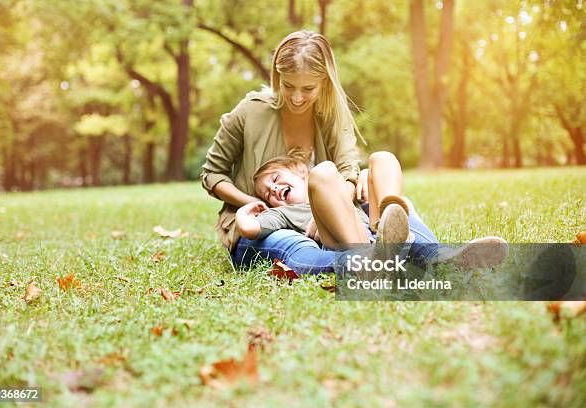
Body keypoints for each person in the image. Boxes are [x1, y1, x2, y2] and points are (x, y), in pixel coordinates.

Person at [201, 30, 505, 274]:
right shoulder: (250, 112)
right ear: (276, 76)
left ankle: (439, 257)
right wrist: (255, 203)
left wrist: (341, 198)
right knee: (294, 246)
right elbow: (212, 174)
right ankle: (370, 264)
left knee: (398, 205)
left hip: (335, 222)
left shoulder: (331, 115)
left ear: (324, 82)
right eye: (288, 85)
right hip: (269, 227)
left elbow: (347, 171)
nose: (296, 97)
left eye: (308, 89)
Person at [236, 148, 410, 263]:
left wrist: (366, 176)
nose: (273, 188)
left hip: (374, 232)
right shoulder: (283, 212)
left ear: (300, 169)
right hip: (345, 242)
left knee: (382, 158)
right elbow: (249, 229)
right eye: (268, 194)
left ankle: (392, 231)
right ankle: (366, 259)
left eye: (275, 178)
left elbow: (369, 187)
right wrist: (243, 212)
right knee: (323, 171)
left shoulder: (340, 186)